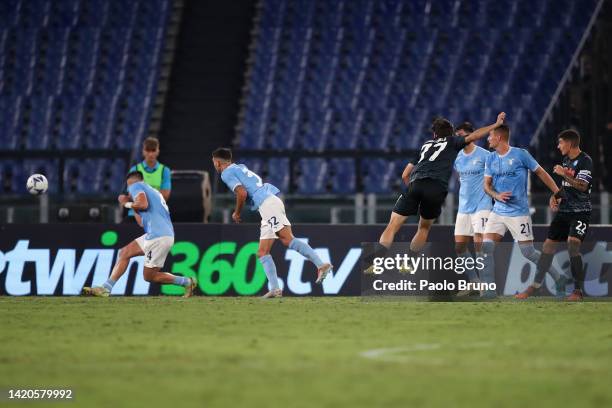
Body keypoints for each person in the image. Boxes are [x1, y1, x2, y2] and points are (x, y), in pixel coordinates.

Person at [364, 112, 506, 274]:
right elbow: (474, 135)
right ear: (451, 133)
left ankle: (378, 261)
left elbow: (405, 175)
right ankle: (408, 262)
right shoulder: (453, 142)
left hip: (416, 183)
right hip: (436, 188)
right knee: (424, 227)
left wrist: (413, 193)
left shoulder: (425, 146)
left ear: (434, 134)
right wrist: (495, 125)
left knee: (393, 225)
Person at [212, 148, 332, 298]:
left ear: (217, 162)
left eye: (213, 162)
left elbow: (242, 193)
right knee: (262, 252)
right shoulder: (239, 167)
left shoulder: (226, 173)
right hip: (269, 202)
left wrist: (237, 212)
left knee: (287, 239)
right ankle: (275, 289)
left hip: (267, 205)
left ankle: (321, 265)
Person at [479, 124, 564, 298]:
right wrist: (496, 195)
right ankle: (489, 291)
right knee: (486, 248)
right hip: (498, 211)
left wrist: (557, 192)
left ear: (499, 137)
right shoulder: (490, 159)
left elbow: (541, 172)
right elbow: (486, 186)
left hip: (518, 213)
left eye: (490, 136)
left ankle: (558, 277)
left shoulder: (520, 155)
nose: (488, 139)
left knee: (528, 252)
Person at [82, 171, 196, 297]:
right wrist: (132, 205)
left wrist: (126, 203)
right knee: (124, 252)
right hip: (157, 234)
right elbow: (142, 222)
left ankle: (186, 282)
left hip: (158, 236)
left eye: (129, 187)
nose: (129, 191)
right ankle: (106, 288)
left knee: (149, 276)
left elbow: (143, 204)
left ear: (134, 183)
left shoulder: (137, 186)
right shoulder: (154, 192)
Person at [515, 129, 593, 300]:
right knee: (547, 246)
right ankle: (535, 286)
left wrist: (564, 173)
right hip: (564, 211)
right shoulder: (566, 160)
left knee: (573, 243)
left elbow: (582, 186)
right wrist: (555, 195)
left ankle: (578, 291)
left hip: (581, 212)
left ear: (570, 143)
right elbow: (567, 186)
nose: (558, 147)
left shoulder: (585, 161)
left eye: (560, 143)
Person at [452, 122, 492, 296]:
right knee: (460, 247)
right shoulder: (457, 157)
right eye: (456, 135)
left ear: (470, 135)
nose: (458, 137)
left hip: (482, 205)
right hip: (464, 207)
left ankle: (484, 284)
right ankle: (474, 282)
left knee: (478, 242)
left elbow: (493, 176)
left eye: (461, 134)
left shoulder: (485, 155)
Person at [124, 137, 172, 223]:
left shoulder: (164, 171)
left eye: (153, 150)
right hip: (135, 215)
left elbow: (165, 196)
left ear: (158, 151)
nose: (150, 154)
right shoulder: (135, 169)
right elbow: (131, 195)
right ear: (143, 151)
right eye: (148, 150)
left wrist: (142, 195)